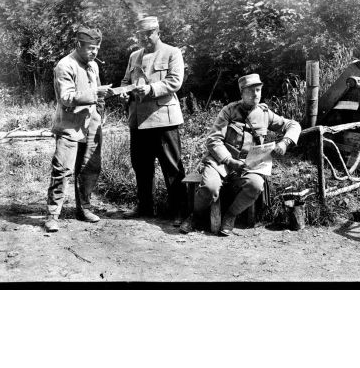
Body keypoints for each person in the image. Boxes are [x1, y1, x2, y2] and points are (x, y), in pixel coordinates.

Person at [179, 73, 301, 236]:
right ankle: (195, 216)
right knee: (210, 187)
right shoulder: (229, 111)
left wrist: (285, 142)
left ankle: (230, 216)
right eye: (251, 91)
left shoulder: (265, 114)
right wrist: (229, 160)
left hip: (248, 164)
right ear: (242, 93)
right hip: (221, 161)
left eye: (258, 90)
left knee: (255, 185)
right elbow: (213, 140)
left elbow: (293, 125)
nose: (255, 94)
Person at [44, 27, 112, 232]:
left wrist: (107, 98)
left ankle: (84, 208)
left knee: (90, 168)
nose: (95, 52)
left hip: (91, 125)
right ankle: (52, 214)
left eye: (97, 48)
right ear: (78, 45)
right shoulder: (65, 65)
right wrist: (95, 93)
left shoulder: (93, 66)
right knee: (62, 170)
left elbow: (97, 95)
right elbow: (65, 98)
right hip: (69, 126)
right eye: (91, 48)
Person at [120, 16, 187, 220]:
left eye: (149, 33)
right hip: (139, 121)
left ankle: (179, 211)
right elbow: (125, 80)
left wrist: (150, 89)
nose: (145, 38)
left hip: (163, 119)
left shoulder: (172, 53)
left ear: (158, 32)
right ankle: (145, 208)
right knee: (141, 166)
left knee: (172, 167)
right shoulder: (134, 56)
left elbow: (175, 81)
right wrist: (124, 92)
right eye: (141, 35)